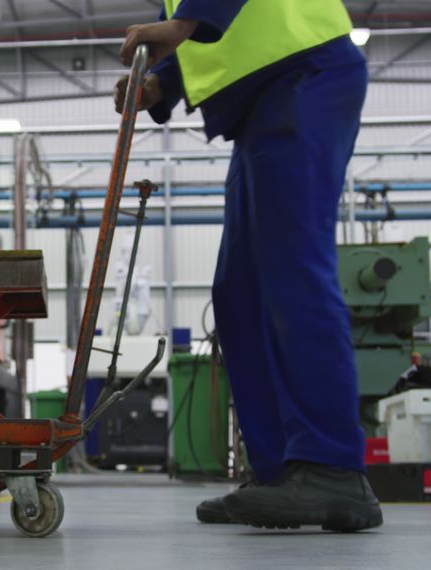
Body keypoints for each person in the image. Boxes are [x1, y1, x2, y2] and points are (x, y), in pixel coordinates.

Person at [115, 0, 383, 532]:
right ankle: (281, 471)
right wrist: (162, 82)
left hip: (306, 74)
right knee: (240, 296)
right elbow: (230, 29)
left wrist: (184, 24)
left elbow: (211, 17)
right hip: (266, 98)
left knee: (293, 269)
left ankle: (330, 467)